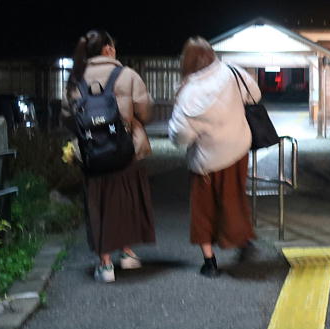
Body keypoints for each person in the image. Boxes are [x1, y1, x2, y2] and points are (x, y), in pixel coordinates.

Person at [67, 29, 156, 282]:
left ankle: (105, 265)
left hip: (92, 152)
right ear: (107, 49)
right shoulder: (126, 75)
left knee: (98, 205)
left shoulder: (75, 79)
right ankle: (127, 255)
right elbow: (146, 111)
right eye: (112, 47)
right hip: (124, 149)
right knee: (126, 201)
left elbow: (68, 117)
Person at [168, 36, 261, 277]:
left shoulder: (187, 93)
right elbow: (255, 95)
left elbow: (180, 137)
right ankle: (242, 239)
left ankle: (209, 262)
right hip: (238, 149)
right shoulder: (231, 72)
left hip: (207, 161)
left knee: (203, 210)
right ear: (211, 54)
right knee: (233, 199)